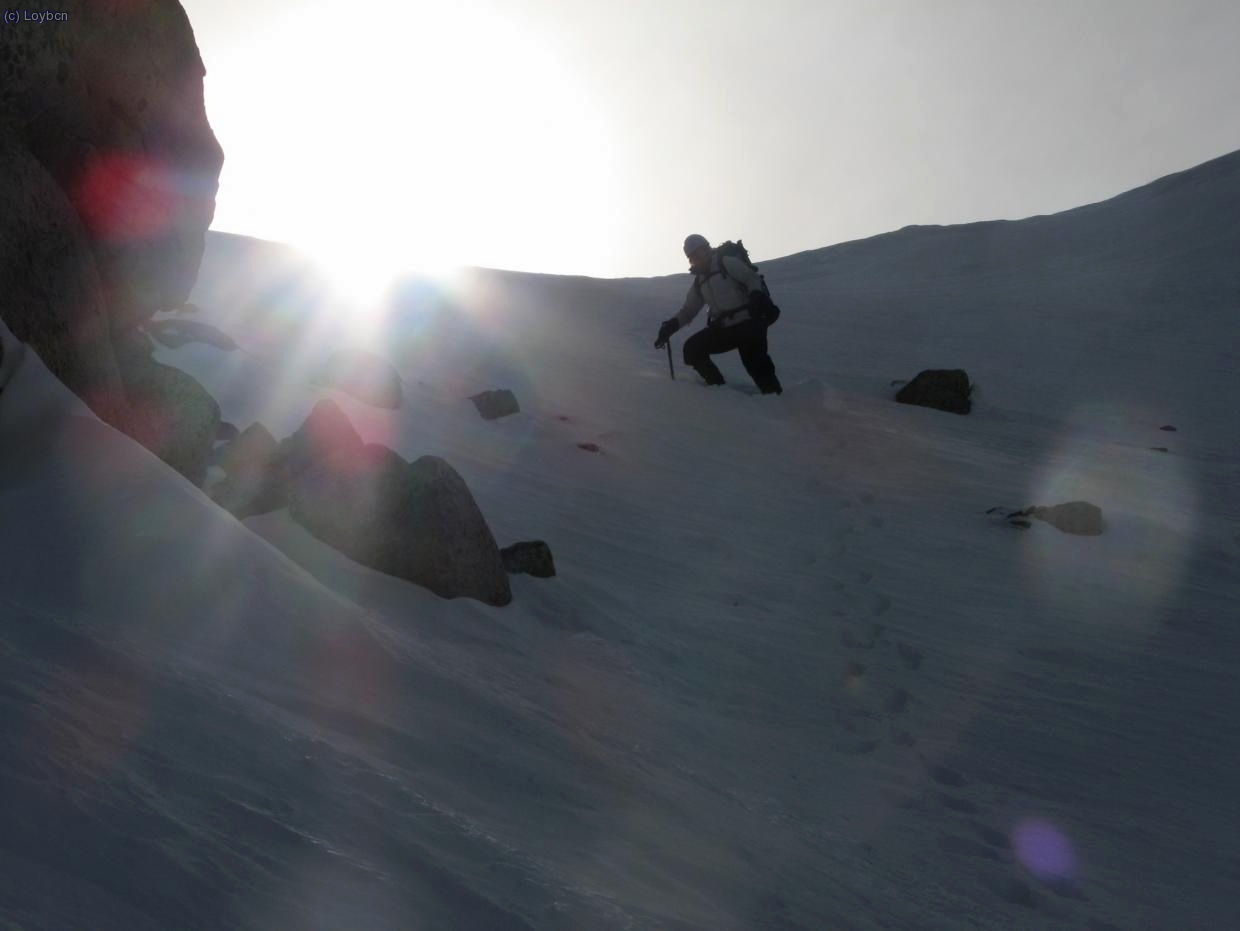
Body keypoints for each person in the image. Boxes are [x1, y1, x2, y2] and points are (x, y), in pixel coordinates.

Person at [654, 234, 782, 395]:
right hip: (726, 328)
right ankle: (719, 391)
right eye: (692, 257)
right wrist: (671, 326)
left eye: (699, 253)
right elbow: (688, 311)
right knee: (692, 349)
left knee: (755, 363)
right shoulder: (699, 281)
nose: (698, 259)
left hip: (749, 322)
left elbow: (751, 278)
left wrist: (756, 295)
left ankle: (777, 400)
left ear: (707, 249)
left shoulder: (725, 262)